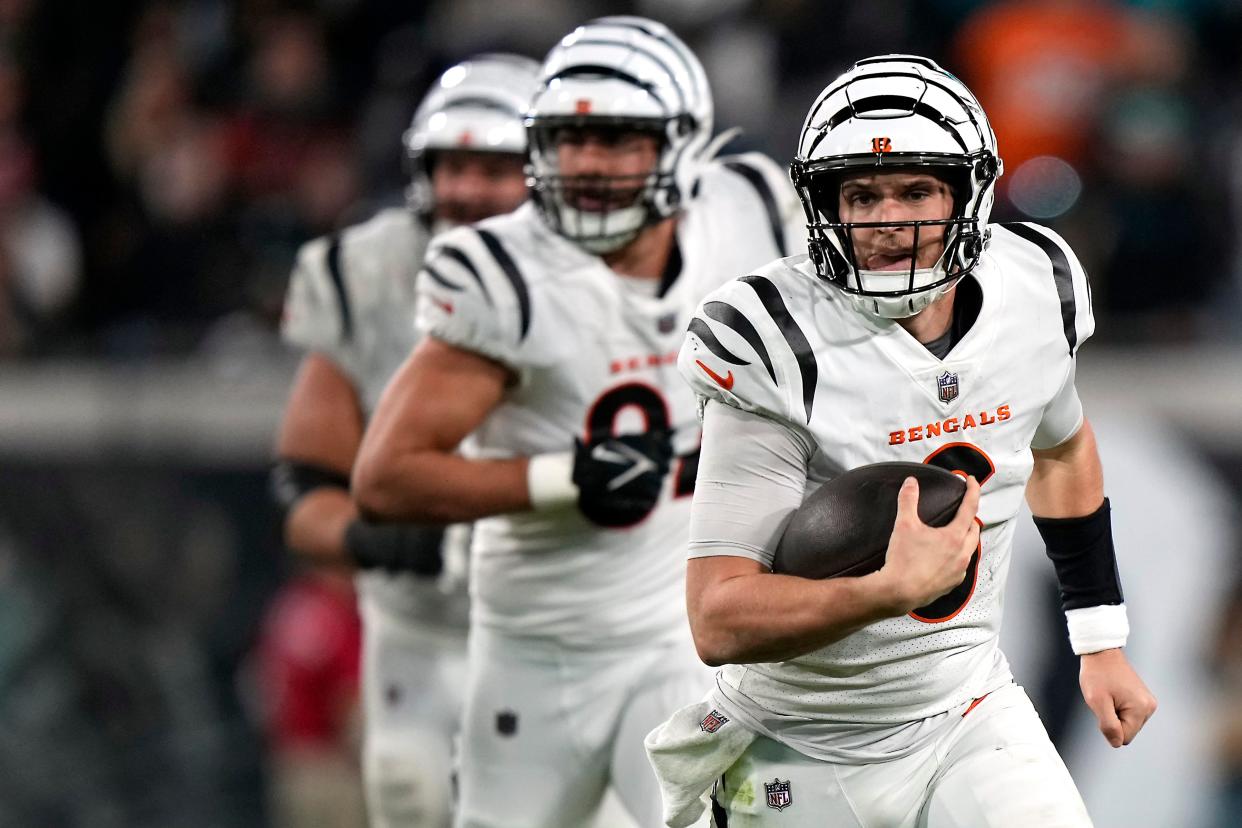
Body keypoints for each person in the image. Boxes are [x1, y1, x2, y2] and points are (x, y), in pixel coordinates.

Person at [644, 55, 1158, 827]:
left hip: (967, 705)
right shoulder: (777, 341)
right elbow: (718, 619)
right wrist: (884, 590)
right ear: (826, 207)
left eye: (917, 190)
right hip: (804, 737)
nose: (889, 221)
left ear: (969, 196)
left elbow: (1062, 448)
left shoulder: (1035, 286)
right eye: (862, 195)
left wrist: (1099, 637)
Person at [352, 16, 805, 828]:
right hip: (538, 654)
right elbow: (385, 476)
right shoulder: (504, 273)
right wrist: (564, 478)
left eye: (620, 140)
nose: (590, 164)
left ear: (682, 145)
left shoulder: (750, 211)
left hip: (680, 639)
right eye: (570, 140)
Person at [271, 53, 539, 828]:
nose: (467, 189)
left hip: (589, 622)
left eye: (494, 165)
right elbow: (305, 489)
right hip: (428, 632)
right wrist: (379, 540)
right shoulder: (370, 274)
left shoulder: (619, 276)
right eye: (451, 164)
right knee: (410, 793)